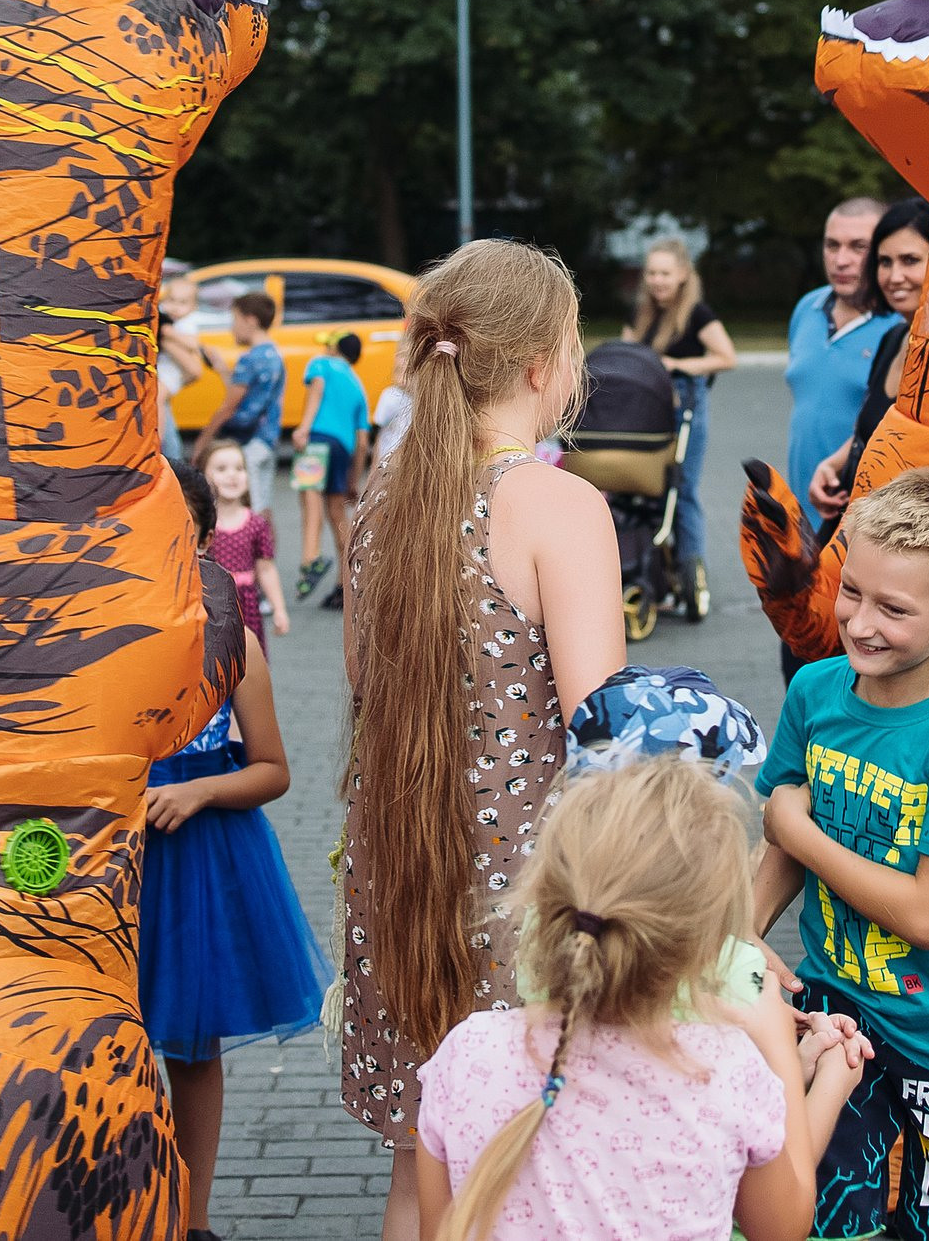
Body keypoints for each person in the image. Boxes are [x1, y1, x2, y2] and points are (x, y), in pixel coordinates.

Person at [340, 237, 626, 1240]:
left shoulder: (382, 501)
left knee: (426, 1165)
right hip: (526, 901)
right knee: (534, 1175)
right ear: (542, 363)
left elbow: (359, 692)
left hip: (403, 881)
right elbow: (608, 738)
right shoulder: (559, 505)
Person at [416, 757, 864, 1241]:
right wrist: (794, 1058)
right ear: (704, 942)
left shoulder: (467, 1054)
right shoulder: (727, 1070)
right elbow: (782, 1227)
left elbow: (438, 1230)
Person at [754, 469, 929, 1241]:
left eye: (894, 608)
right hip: (834, 1019)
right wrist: (734, 933)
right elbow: (779, 850)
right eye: (852, 591)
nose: (859, 622)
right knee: (823, 1221)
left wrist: (797, 830)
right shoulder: (814, 692)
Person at [141, 461, 332, 1241]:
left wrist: (198, 791)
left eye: (178, 530)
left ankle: (191, 1216)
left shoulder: (237, 645)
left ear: (202, 535)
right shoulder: (102, 635)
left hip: (202, 859)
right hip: (118, 859)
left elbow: (274, 770)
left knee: (191, 1045)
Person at [623, 238, 737, 603]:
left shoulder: (697, 314)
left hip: (686, 405)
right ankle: (649, 565)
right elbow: (626, 354)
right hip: (646, 410)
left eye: (665, 273)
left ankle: (690, 568)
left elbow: (725, 357)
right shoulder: (641, 312)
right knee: (643, 491)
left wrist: (677, 366)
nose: (657, 280)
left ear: (684, 275)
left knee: (682, 491)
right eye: (652, 273)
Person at [806, 198, 929, 528]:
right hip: (850, 524)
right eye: (884, 262)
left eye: (910, 260)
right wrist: (833, 464)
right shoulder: (893, 340)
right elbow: (873, 430)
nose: (894, 276)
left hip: (897, 542)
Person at [783, 198, 901, 534]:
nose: (841, 260)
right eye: (832, 245)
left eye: (857, 247)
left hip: (870, 520)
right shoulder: (808, 307)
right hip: (805, 510)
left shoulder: (901, 328)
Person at [293, 331, 372, 605]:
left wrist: (303, 427)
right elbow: (362, 443)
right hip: (343, 448)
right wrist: (353, 478)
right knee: (337, 511)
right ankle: (346, 580)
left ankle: (311, 557)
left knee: (309, 492)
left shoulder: (321, 363)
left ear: (334, 348)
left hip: (317, 437)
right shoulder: (359, 387)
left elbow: (316, 390)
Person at [197, 290, 284, 517]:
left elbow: (229, 406)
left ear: (250, 320)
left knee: (247, 508)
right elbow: (246, 395)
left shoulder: (249, 359)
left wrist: (203, 440)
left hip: (247, 442)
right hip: (268, 440)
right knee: (263, 505)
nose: (232, 327)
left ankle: (250, 553)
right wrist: (223, 370)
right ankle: (267, 553)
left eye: (234, 319)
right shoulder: (274, 355)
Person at [197, 437, 287, 642]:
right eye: (221, 469)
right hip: (210, 604)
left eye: (239, 468)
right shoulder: (201, 524)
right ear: (204, 476)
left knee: (249, 660)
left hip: (246, 605)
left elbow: (266, 568)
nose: (232, 475)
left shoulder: (256, 523)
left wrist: (279, 608)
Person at [155, 273, 205, 463]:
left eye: (183, 303)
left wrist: (168, 333)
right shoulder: (170, 318)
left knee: (159, 398)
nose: (176, 307)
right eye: (172, 301)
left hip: (172, 372)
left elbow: (193, 345)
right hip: (169, 369)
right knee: (163, 408)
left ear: (193, 307)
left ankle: (158, 441)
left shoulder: (186, 324)